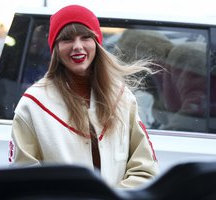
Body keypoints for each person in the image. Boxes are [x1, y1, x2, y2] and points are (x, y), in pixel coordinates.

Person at [11, 5, 159, 188]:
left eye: (86, 37)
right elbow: (23, 178)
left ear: (96, 43)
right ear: (55, 47)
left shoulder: (122, 97)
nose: (77, 46)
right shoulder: (32, 104)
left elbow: (145, 169)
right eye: (66, 39)